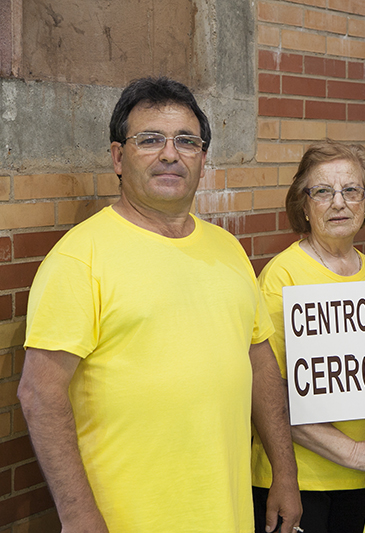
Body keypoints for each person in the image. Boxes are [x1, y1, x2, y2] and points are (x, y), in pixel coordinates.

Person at [17, 77, 301, 533]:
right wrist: (77, 515)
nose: (171, 154)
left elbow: (261, 365)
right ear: (117, 157)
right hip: (127, 519)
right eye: (150, 140)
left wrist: (285, 474)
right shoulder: (80, 258)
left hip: (225, 512)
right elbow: (39, 393)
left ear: (202, 159)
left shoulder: (228, 250)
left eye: (187, 141)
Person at [251, 140, 365, 533]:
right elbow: (268, 395)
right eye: (323, 192)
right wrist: (354, 452)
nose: (339, 203)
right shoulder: (283, 278)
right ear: (304, 204)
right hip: (301, 484)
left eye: (351, 191)